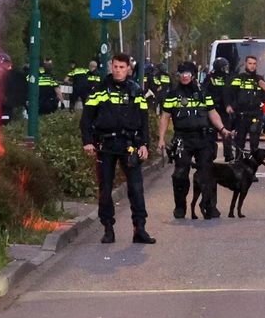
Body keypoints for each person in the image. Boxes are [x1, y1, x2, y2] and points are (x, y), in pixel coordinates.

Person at [80, 53, 155, 245]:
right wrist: (87, 141)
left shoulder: (136, 90)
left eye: (122, 67)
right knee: (105, 189)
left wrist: (145, 144)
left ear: (128, 69)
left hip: (129, 145)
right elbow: (87, 118)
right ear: (111, 67)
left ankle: (140, 229)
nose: (118, 70)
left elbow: (144, 121)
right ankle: (108, 229)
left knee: (136, 189)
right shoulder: (100, 90)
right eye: (115, 67)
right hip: (105, 145)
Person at [159, 61, 233, 219]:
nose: (184, 76)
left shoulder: (204, 94)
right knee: (180, 174)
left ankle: (210, 206)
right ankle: (180, 207)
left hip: (203, 139)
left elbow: (212, 113)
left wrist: (222, 129)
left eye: (187, 73)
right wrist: (161, 139)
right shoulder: (173, 95)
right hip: (182, 140)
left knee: (208, 173)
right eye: (181, 73)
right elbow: (165, 117)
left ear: (193, 75)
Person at [227, 55, 265, 155]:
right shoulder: (239, 78)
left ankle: (253, 163)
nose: (252, 66)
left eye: (254, 64)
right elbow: (230, 94)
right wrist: (229, 105)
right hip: (241, 114)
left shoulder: (259, 79)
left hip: (255, 114)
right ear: (246, 64)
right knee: (240, 141)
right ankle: (238, 161)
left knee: (254, 141)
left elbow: (264, 100)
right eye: (250, 63)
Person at [203, 57, 234, 161]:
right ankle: (211, 155)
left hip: (224, 110)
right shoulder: (209, 78)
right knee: (211, 135)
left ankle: (228, 155)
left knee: (227, 133)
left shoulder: (228, 78)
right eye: (224, 67)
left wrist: (229, 105)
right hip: (212, 109)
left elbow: (230, 93)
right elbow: (205, 92)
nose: (226, 69)